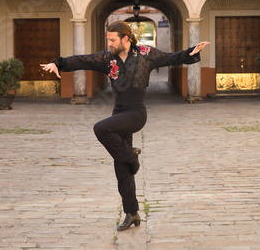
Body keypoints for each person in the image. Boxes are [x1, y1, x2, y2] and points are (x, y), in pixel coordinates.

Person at [41, 21, 209, 231]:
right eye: (108, 39)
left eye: (113, 40)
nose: (109, 43)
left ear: (125, 39)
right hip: (118, 114)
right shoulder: (107, 58)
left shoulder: (146, 54)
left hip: (136, 113)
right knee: (122, 169)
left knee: (100, 128)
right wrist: (59, 63)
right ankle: (132, 213)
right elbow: (82, 60)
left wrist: (191, 52)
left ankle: (131, 155)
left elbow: (170, 58)